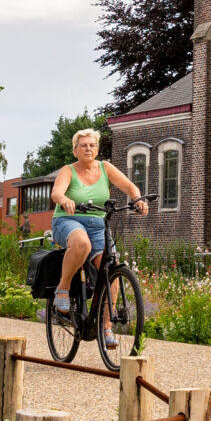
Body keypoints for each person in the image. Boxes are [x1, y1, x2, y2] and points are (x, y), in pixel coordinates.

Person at [50, 129, 148, 334]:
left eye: (92, 145)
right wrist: (65, 200)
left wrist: (137, 199)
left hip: (97, 225)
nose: (88, 149)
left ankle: (106, 329)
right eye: (83, 145)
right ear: (75, 150)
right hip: (68, 220)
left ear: (97, 149)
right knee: (82, 244)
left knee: (111, 272)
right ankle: (63, 288)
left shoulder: (105, 168)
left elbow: (129, 186)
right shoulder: (68, 170)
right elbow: (56, 193)